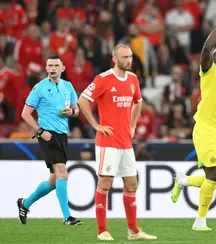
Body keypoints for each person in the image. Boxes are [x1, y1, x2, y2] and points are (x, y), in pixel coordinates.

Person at [171, 10, 216, 231]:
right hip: (205, 128)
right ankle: (200, 221)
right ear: (214, 58)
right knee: (211, 174)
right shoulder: (209, 72)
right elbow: (206, 48)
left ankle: (184, 180)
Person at [78, 44, 157, 241]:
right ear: (115, 59)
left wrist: (132, 125)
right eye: (124, 57)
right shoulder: (103, 79)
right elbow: (82, 100)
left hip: (125, 141)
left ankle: (133, 231)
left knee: (132, 184)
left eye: (130, 57)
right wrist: (96, 125)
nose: (128, 60)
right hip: (108, 141)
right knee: (105, 182)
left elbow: (138, 102)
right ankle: (101, 230)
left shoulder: (133, 79)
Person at [17, 55, 81, 225]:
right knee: (62, 172)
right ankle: (67, 216)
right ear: (46, 69)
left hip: (62, 134)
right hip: (47, 135)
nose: (53, 68)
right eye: (50, 65)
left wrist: (71, 113)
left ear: (62, 68)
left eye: (56, 65)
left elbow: (76, 110)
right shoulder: (40, 88)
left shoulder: (68, 86)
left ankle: (25, 203)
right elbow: (25, 113)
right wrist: (39, 131)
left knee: (54, 180)